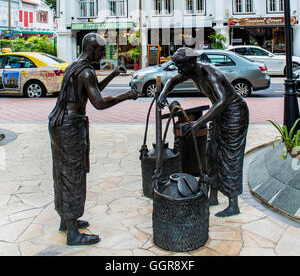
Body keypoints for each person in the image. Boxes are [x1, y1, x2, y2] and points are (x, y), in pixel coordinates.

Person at [48, 33, 138, 246]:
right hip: (70, 126)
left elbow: (92, 90)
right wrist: (126, 95)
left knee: (62, 170)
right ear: (92, 49)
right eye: (101, 50)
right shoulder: (86, 71)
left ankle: (66, 219)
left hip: (58, 123)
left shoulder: (75, 66)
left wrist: (113, 75)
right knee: (73, 173)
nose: (104, 53)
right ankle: (73, 233)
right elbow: (98, 102)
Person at [157, 47, 249, 217]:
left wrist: (199, 123)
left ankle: (233, 204)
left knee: (229, 156)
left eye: (181, 66)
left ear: (192, 62)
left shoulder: (209, 73)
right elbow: (172, 81)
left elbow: (222, 101)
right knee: (211, 152)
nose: (179, 70)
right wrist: (163, 94)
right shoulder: (190, 71)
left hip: (234, 113)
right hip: (219, 113)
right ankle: (212, 196)